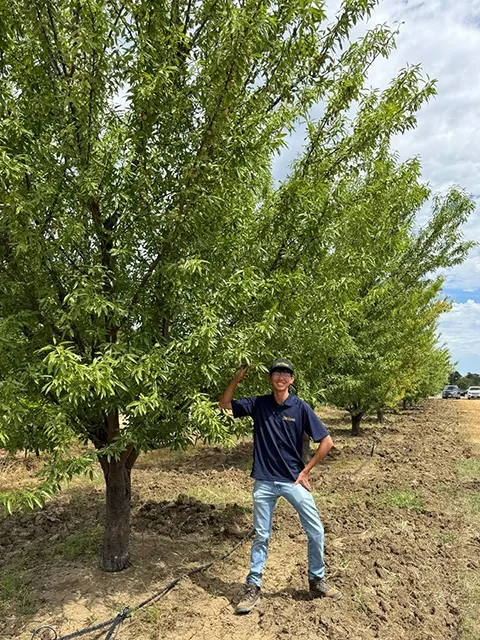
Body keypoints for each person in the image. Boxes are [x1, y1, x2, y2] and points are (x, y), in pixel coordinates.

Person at [218, 358, 341, 614]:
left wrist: (306, 470)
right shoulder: (259, 404)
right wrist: (236, 380)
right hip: (264, 481)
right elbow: (225, 404)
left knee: (316, 530)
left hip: (293, 481)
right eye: (276, 373)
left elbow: (326, 442)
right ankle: (253, 586)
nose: (281, 377)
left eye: (286, 374)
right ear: (270, 378)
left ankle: (316, 580)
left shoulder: (301, 408)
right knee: (261, 535)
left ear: (292, 380)